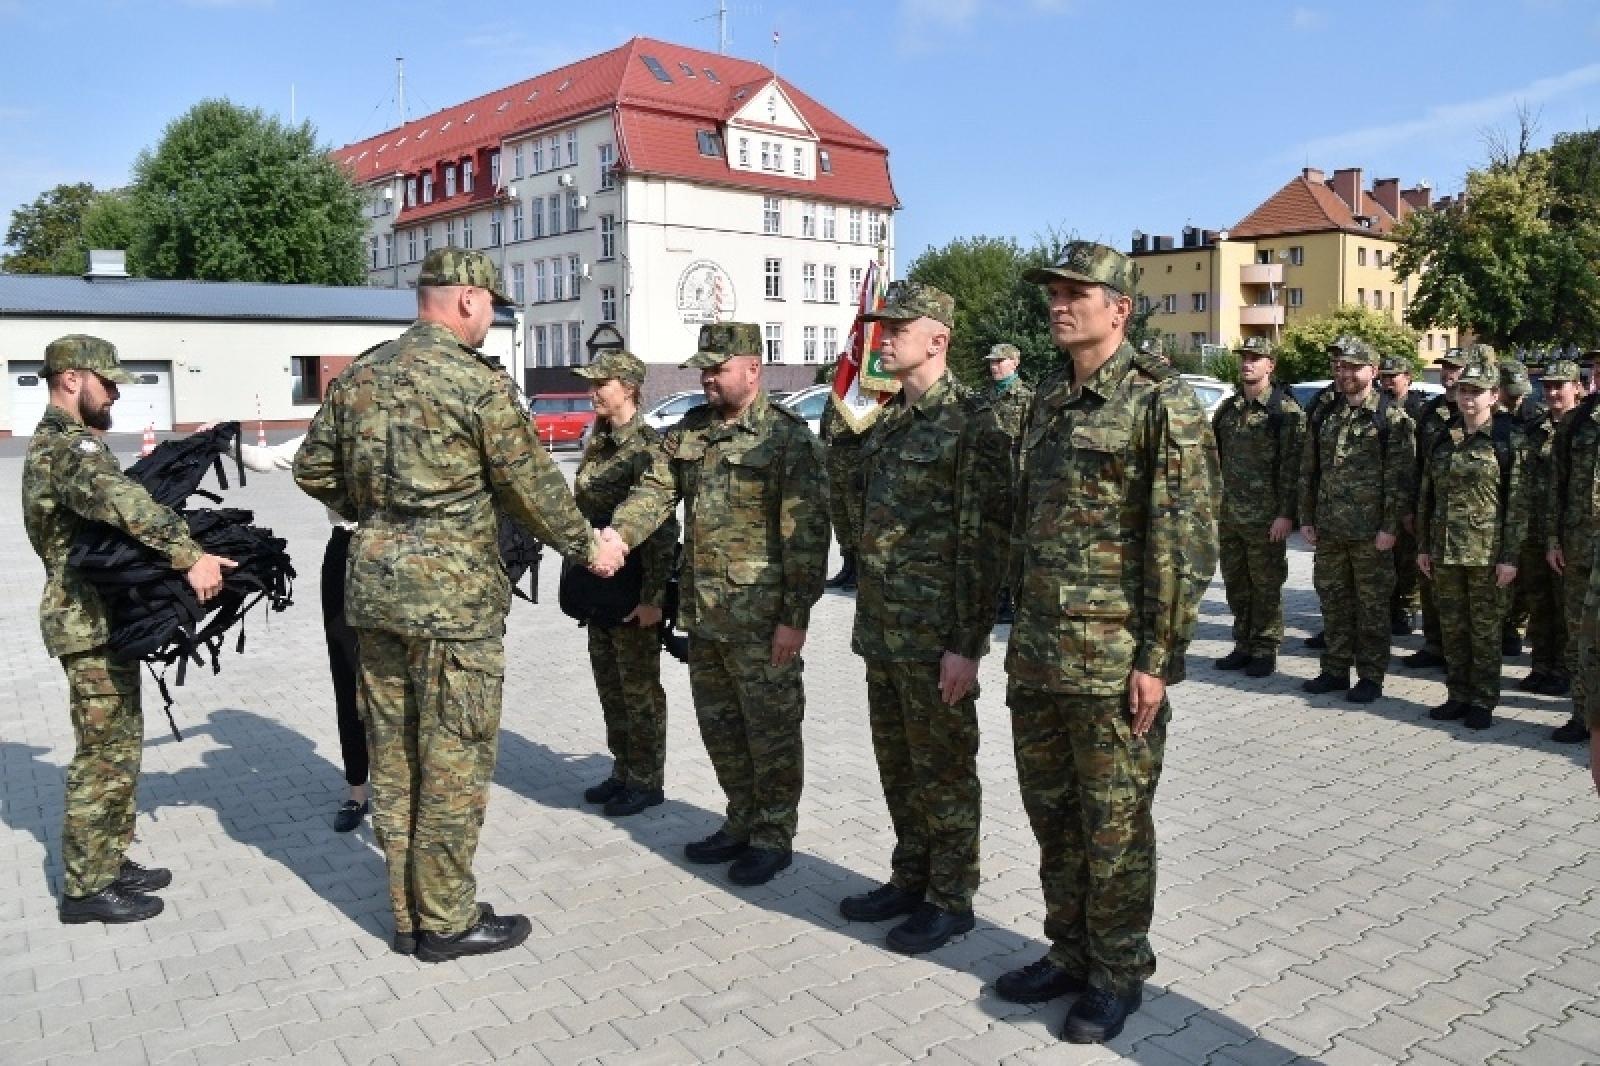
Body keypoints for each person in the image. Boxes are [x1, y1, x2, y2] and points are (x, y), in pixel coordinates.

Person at [294, 248, 623, 962]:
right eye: (492, 309)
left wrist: (375, 514)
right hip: (451, 604)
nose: (490, 323)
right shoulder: (476, 385)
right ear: (469, 300)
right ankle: (445, 920)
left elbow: (310, 467)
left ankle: (408, 914)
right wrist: (588, 548)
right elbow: (531, 486)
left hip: (373, 592)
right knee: (452, 758)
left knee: (396, 754)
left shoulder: (362, 373)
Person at [998, 242, 1218, 1044]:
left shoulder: (1163, 401)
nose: (1059, 304)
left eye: (1076, 293)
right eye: (1053, 292)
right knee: (1053, 816)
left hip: (1114, 661)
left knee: (1115, 824)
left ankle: (1118, 970)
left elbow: (1184, 542)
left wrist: (1157, 660)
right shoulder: (1050, 401)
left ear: (1119, 308)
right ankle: (1069, 950)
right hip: (1042, 654)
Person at [607, 322, 829, 887]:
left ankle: (773, 834)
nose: (706, 377)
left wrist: (794, 618)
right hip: (704, 615)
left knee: (771, 731)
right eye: (703, 368)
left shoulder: (785, 438)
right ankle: (739, 820)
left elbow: (806, 538)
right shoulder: (692, 431)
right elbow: (655, 493)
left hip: (762, 621)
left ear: (752, 369)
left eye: (717, 368)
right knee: (721, 728)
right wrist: (618, 537)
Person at [23, 335, 234, 924]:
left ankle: (108, 860)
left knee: (120, 747)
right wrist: (187, 554)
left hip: (100, 617)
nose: (115, 392)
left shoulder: (71, 444)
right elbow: (121, 502)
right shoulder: (66, 448)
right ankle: (87, 888)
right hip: (82, 621)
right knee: (101, 757)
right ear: (72, 379)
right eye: (107, 381)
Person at [836, 282, 1011, 955]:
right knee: (898, 763)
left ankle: (951, 896)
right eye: (881, 327)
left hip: (937, 635)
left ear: (937, 339)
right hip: (885, 628)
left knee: (943, 768)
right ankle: (910, 876)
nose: (883, 338)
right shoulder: (888, 421)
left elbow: (983, 544)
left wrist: (966, 643)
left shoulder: (973, 421)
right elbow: (854, 512)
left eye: (898, 327)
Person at [220, 431, 370, 832]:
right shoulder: (332, 424)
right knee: (346, 673)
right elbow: (265, 460)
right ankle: (357, 792)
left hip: (405, 555)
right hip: (346, 551)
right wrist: (220, 439)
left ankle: (412, 790)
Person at [571, 350, 679, 817]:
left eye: (602, 384)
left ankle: (647, 779)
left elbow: (662, 533)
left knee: (639, 689)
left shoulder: (647, 447)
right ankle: (623, 768)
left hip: (634, 585)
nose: (593, 391)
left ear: (630, 389)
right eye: (591, 383)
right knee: (609, 683)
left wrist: (655, 598)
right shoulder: (600, 443)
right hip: (599, 585)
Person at [1299, 337, 1416, 703]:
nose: (1346, 373)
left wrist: (1389, 527)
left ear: (1373, 371)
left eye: (1354, 367)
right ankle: (1334, 670)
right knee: (1333, 602)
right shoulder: (1326, 414)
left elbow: (1401, 480)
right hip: (1330, 528)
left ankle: (1370, 675)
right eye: (1342, 366)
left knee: (1372, 608)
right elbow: (1310, 471)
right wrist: (1307, 517)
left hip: (1370, 534)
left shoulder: (1392, 419)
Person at [1416, 355, 1526, 730]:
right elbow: (1426, 498)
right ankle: (1457, 694)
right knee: (1453, 629)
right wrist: (1423, 547)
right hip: (1445, 551)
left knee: (1485, 632)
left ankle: (1482, 700)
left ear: (1494, 395)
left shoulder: (1507, 441)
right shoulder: (1443, 438)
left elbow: (1518, 505)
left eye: (1477, 392)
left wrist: (1509, 557)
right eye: (1464, 390)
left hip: (1487, 555)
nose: (1468, 398)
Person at [1211, 337, 1304, 678]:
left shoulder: (1284, 412)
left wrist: (1286, 514)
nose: (1248, 363)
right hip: (1230, 514)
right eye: (1244, 358)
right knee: (1236, 583)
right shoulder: (1228, 409)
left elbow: (1293, 469)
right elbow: (1214, 460)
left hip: (1267, 518)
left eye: (1256, 358)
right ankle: (1243, 643)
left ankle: (1265, 647)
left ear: (1271, 365)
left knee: (1265, 585)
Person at [1515, 359, 1580, 700]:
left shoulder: (1581, 428)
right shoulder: (1533, 428)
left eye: (1560, 386)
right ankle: (1541, 665)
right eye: (1549, 386)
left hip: (1568, 533)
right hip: (1532, 530)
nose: (1553, 392)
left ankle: (1565, 670)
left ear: (1576, 388)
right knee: (1538, 602)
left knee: (1565, 605)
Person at [1402, 346, 1468, 670]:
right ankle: (1433, 643)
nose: (1448, 374)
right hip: (1432, 508)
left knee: (1460, 590)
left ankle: (1459, 651)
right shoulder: (1430, 412)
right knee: (1429, 580)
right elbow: (1417, 463)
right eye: (1445, 368)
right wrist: (1413, 507)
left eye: (1455, 369)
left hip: (1467, 516)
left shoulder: (1478, 415)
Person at [1548, 353, 1600, 745]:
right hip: (1581, 546)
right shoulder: (1576, 423)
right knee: (1580, 636)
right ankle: (1582, 715)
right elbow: (1558, 489)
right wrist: (1554, 539)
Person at [1498, 357, 1545, 657]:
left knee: (1529, 582)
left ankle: (1518, 628)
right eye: (1511, 392)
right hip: (1498, 509)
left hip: (1531, 510)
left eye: (1521, 392)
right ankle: (1506, 629)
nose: (1518, 398)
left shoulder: (1535, 418)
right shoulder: (1493, 419)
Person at [1379, 355, 1428, 636]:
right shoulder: (1378, 408)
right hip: (1384, 494)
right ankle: (1389, 608)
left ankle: (1408, 609)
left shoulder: (1419, 409)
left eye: (1393, 376)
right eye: (1384, 377)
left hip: (1410, 492)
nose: (1387, 381)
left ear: (1407, 377)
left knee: (1407, 559)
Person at [985, 342, 1032, 625]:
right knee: (991, 540)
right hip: (989, 478)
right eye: (992, 362)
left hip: (1014, 477)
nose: (994, 366)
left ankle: (1012, 599)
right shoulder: (987, 397)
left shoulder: (1027, 399)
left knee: (1013, 543)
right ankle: (996, 596)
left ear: (1015, 363)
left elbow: (1029, 443)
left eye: (1000, 361)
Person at [821, 395, 875, 592]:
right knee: (840, 518)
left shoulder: (864, 395)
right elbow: (824, 427)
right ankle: (848, 566)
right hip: (834, 462)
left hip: (853, 463)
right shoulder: (837, 393)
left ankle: (860, 572)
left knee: (856, 518)